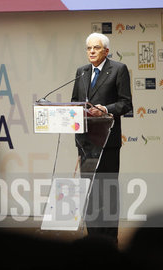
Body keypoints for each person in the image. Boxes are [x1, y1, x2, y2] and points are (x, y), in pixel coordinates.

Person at [71, 32, 132, 243]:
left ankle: (108, 240)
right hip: (86, 143)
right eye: (88, 48)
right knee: (89, 192)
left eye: (96, 48)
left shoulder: (118, 69)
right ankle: (93, 238)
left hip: (108, 142)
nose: (91, 51)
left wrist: (104, 109)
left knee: (107, 191)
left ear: (106, 50)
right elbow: (75, 104)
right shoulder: (81, 72)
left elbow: (126, 104)